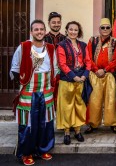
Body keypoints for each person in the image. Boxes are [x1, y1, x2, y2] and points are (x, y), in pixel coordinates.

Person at [10, 19, 58, 165]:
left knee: (46, 121)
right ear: (31, 32)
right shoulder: (23, 47)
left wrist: (51, 86)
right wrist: (23, 83)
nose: (39, 32)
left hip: (46, 90)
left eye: (41, 29)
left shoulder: (50, 48)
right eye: (36, 29)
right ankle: (26, 152)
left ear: (45, 31)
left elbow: (55, 68)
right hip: (28, 91)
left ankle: (43, 149)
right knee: (28, 123)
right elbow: (15, 67)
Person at [85, 18, 116, 135]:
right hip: (95, 74)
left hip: (110, 74)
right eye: (103, 27)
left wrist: (105, 70)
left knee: (111, 99)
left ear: (111, 29)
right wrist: (96, 70)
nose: (105, 30)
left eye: (107, 27)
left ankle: (114, 123)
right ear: (99, 29)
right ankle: (93, 124)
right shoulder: (92, 40)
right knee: (94, 100)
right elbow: (88, 58)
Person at [56, 21, 91, 145]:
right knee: (67, 107)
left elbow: (88, 62)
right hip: (67, 80)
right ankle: (66, 132)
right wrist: (73, 76)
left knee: (79, 106)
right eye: (71, 29)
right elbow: (62, 64)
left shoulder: (83, 45)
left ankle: (77, 130)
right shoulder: (61, 45)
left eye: (76, 30)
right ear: (66, 30)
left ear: (79, 32)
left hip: (81, 80)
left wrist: (84, 76)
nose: (73, 32)